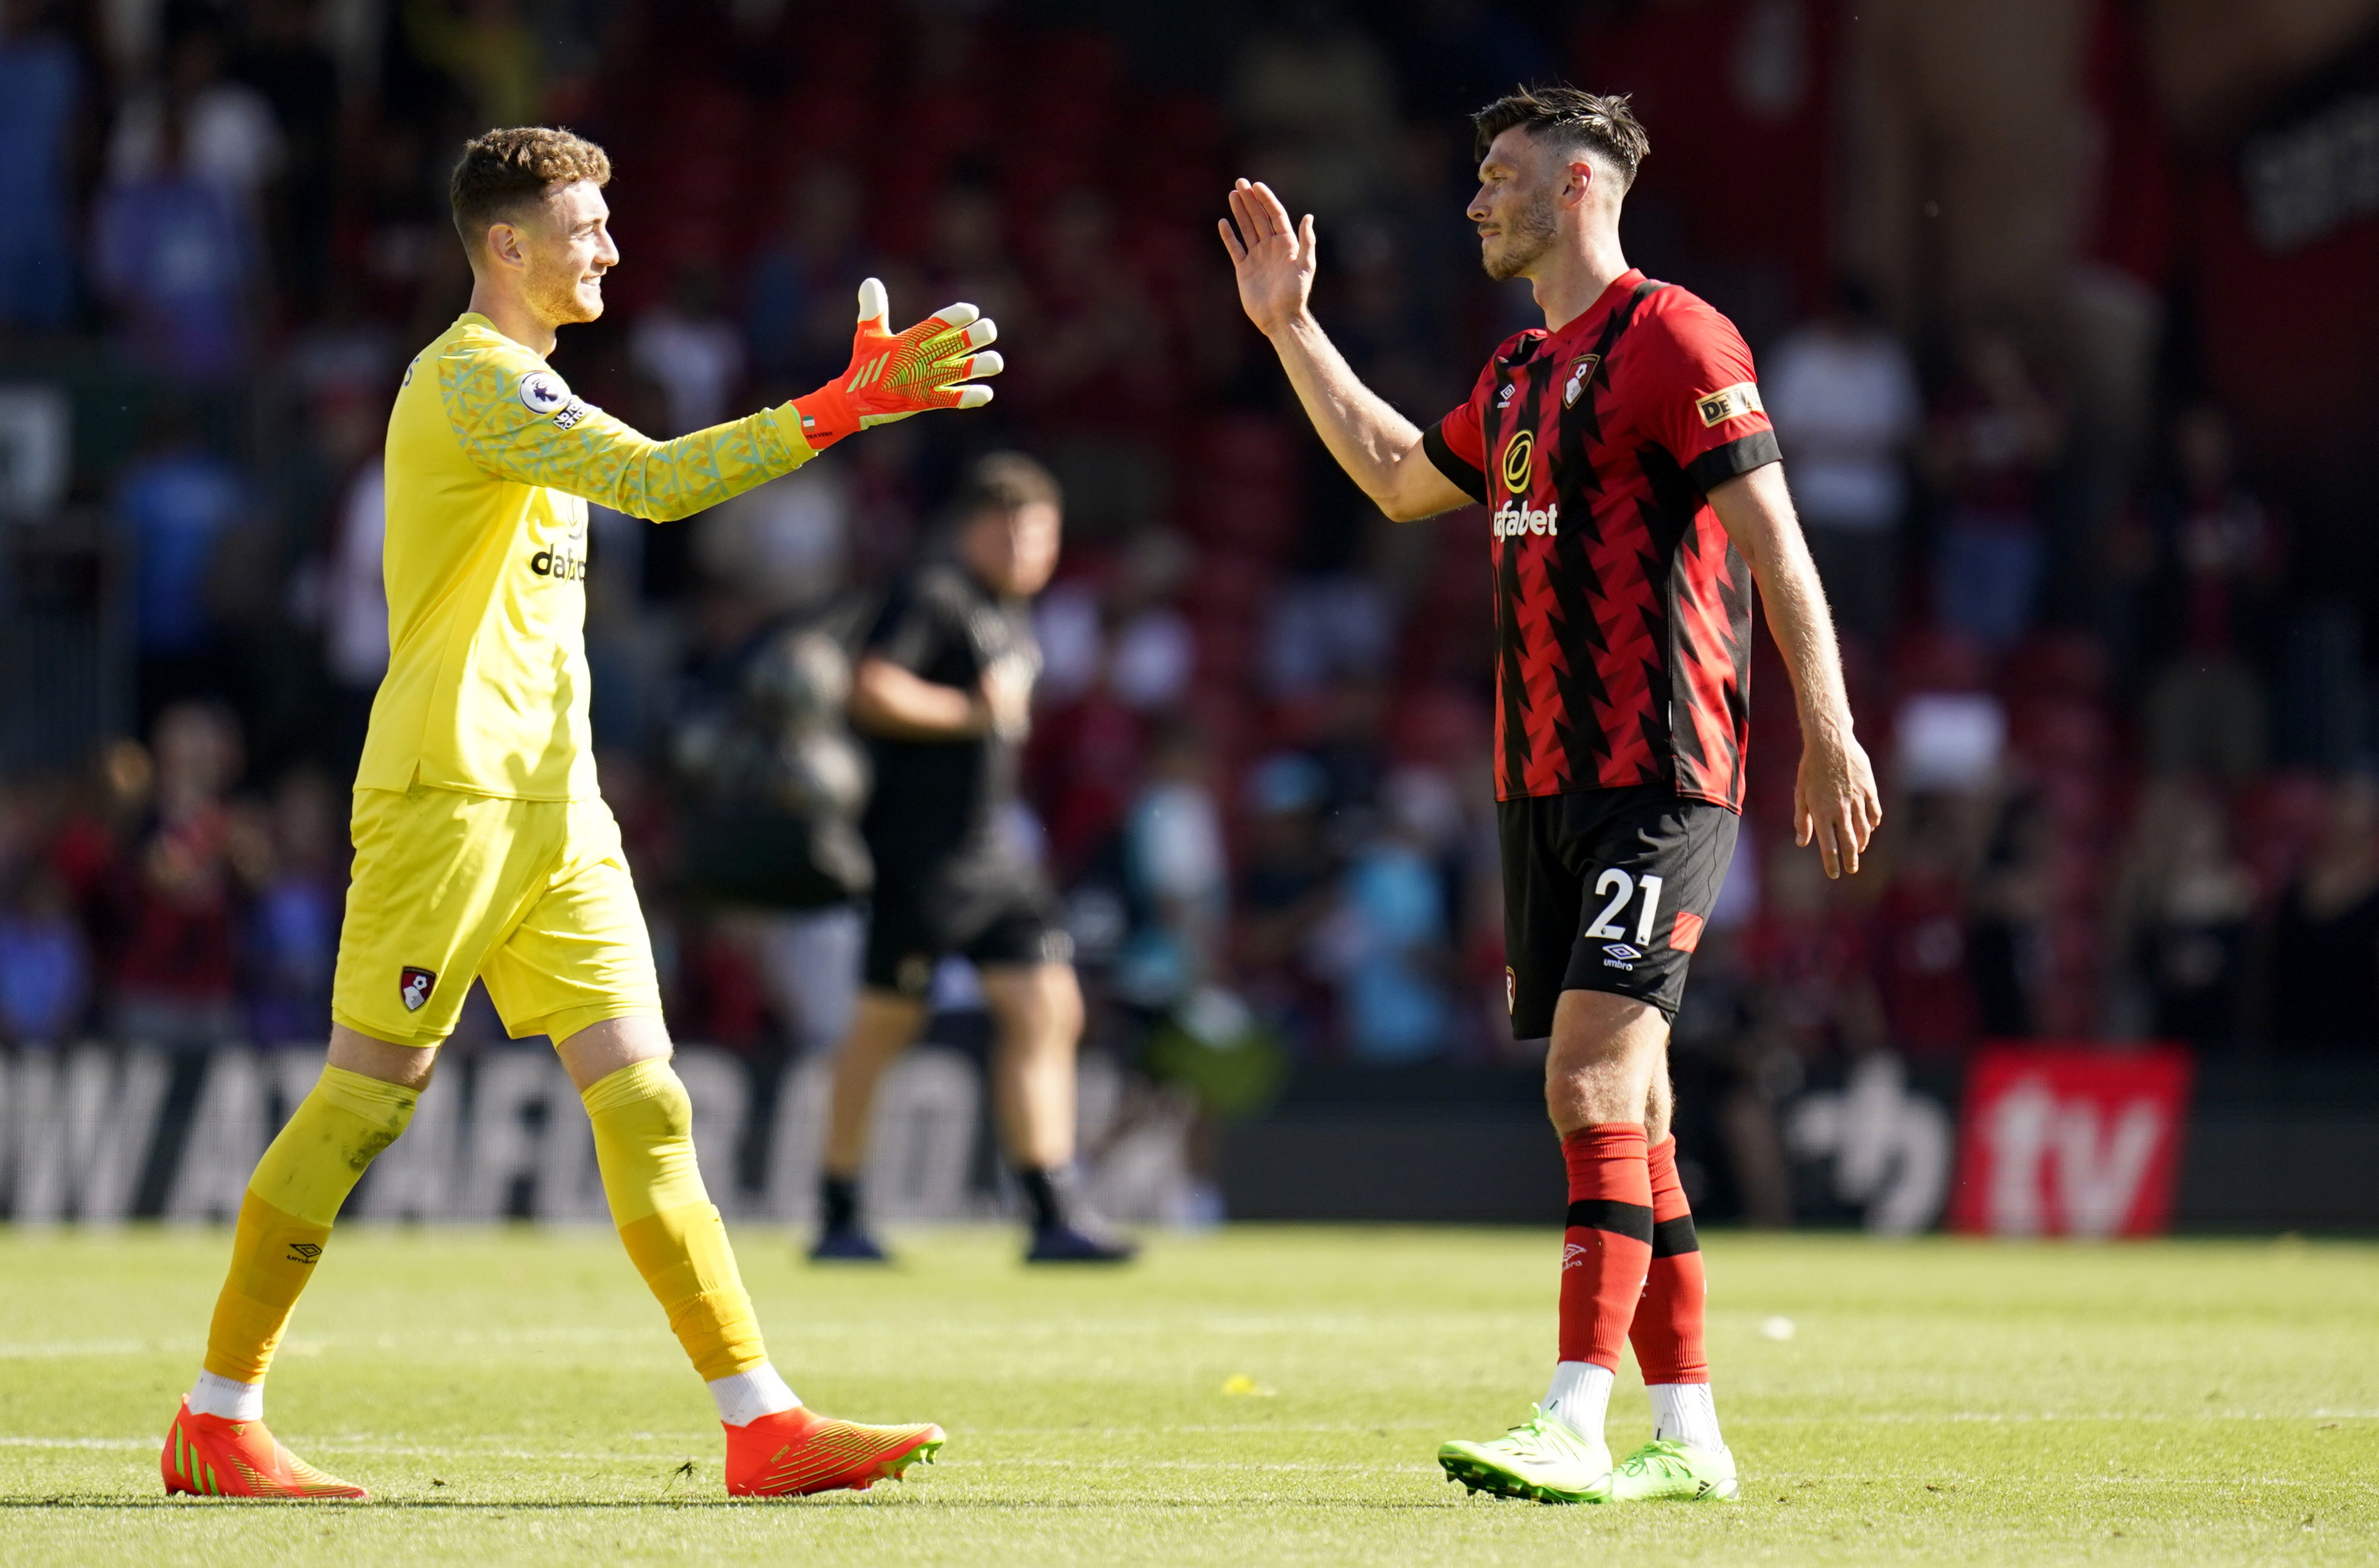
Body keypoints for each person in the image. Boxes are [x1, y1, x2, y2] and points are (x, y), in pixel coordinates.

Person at [158, 125, 1002, 1503]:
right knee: (370, 1103)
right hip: (450, 795)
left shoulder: (528, 386)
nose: (608, 245)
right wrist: (846, 407)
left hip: (558, 805)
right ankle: (218, 1412)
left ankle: (759, 1417)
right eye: (583, 223)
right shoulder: (474, 380)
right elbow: (663, 484)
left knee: (649, 1102)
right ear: (505, 244)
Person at [1219, 86, 1879, 1504]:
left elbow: (1775, 543)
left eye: (1500, 177)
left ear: (1579, 184)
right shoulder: (1519, 371)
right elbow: (1400, 480)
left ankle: (1572, 1414)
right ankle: (1688, 1435)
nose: (1474, 201)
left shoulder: (1677, 337)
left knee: (1580, 1077)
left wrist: (1826, 724)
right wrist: (1289, 326)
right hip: (1541, 783)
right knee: (1633, 1117)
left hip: (1663, 769)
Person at [809, 453, 1135, 1265]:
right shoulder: (937, 594)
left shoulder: (1006, 612)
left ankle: (1051, 1207)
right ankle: (838, 1207)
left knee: (1047, 1007)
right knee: (886, 1024)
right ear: (973, 532)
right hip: (921, 855)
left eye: (1042, 532)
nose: (1028, 547)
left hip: (992, 855)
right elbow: (872, 685)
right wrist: (965, 713)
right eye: (1012, 530)